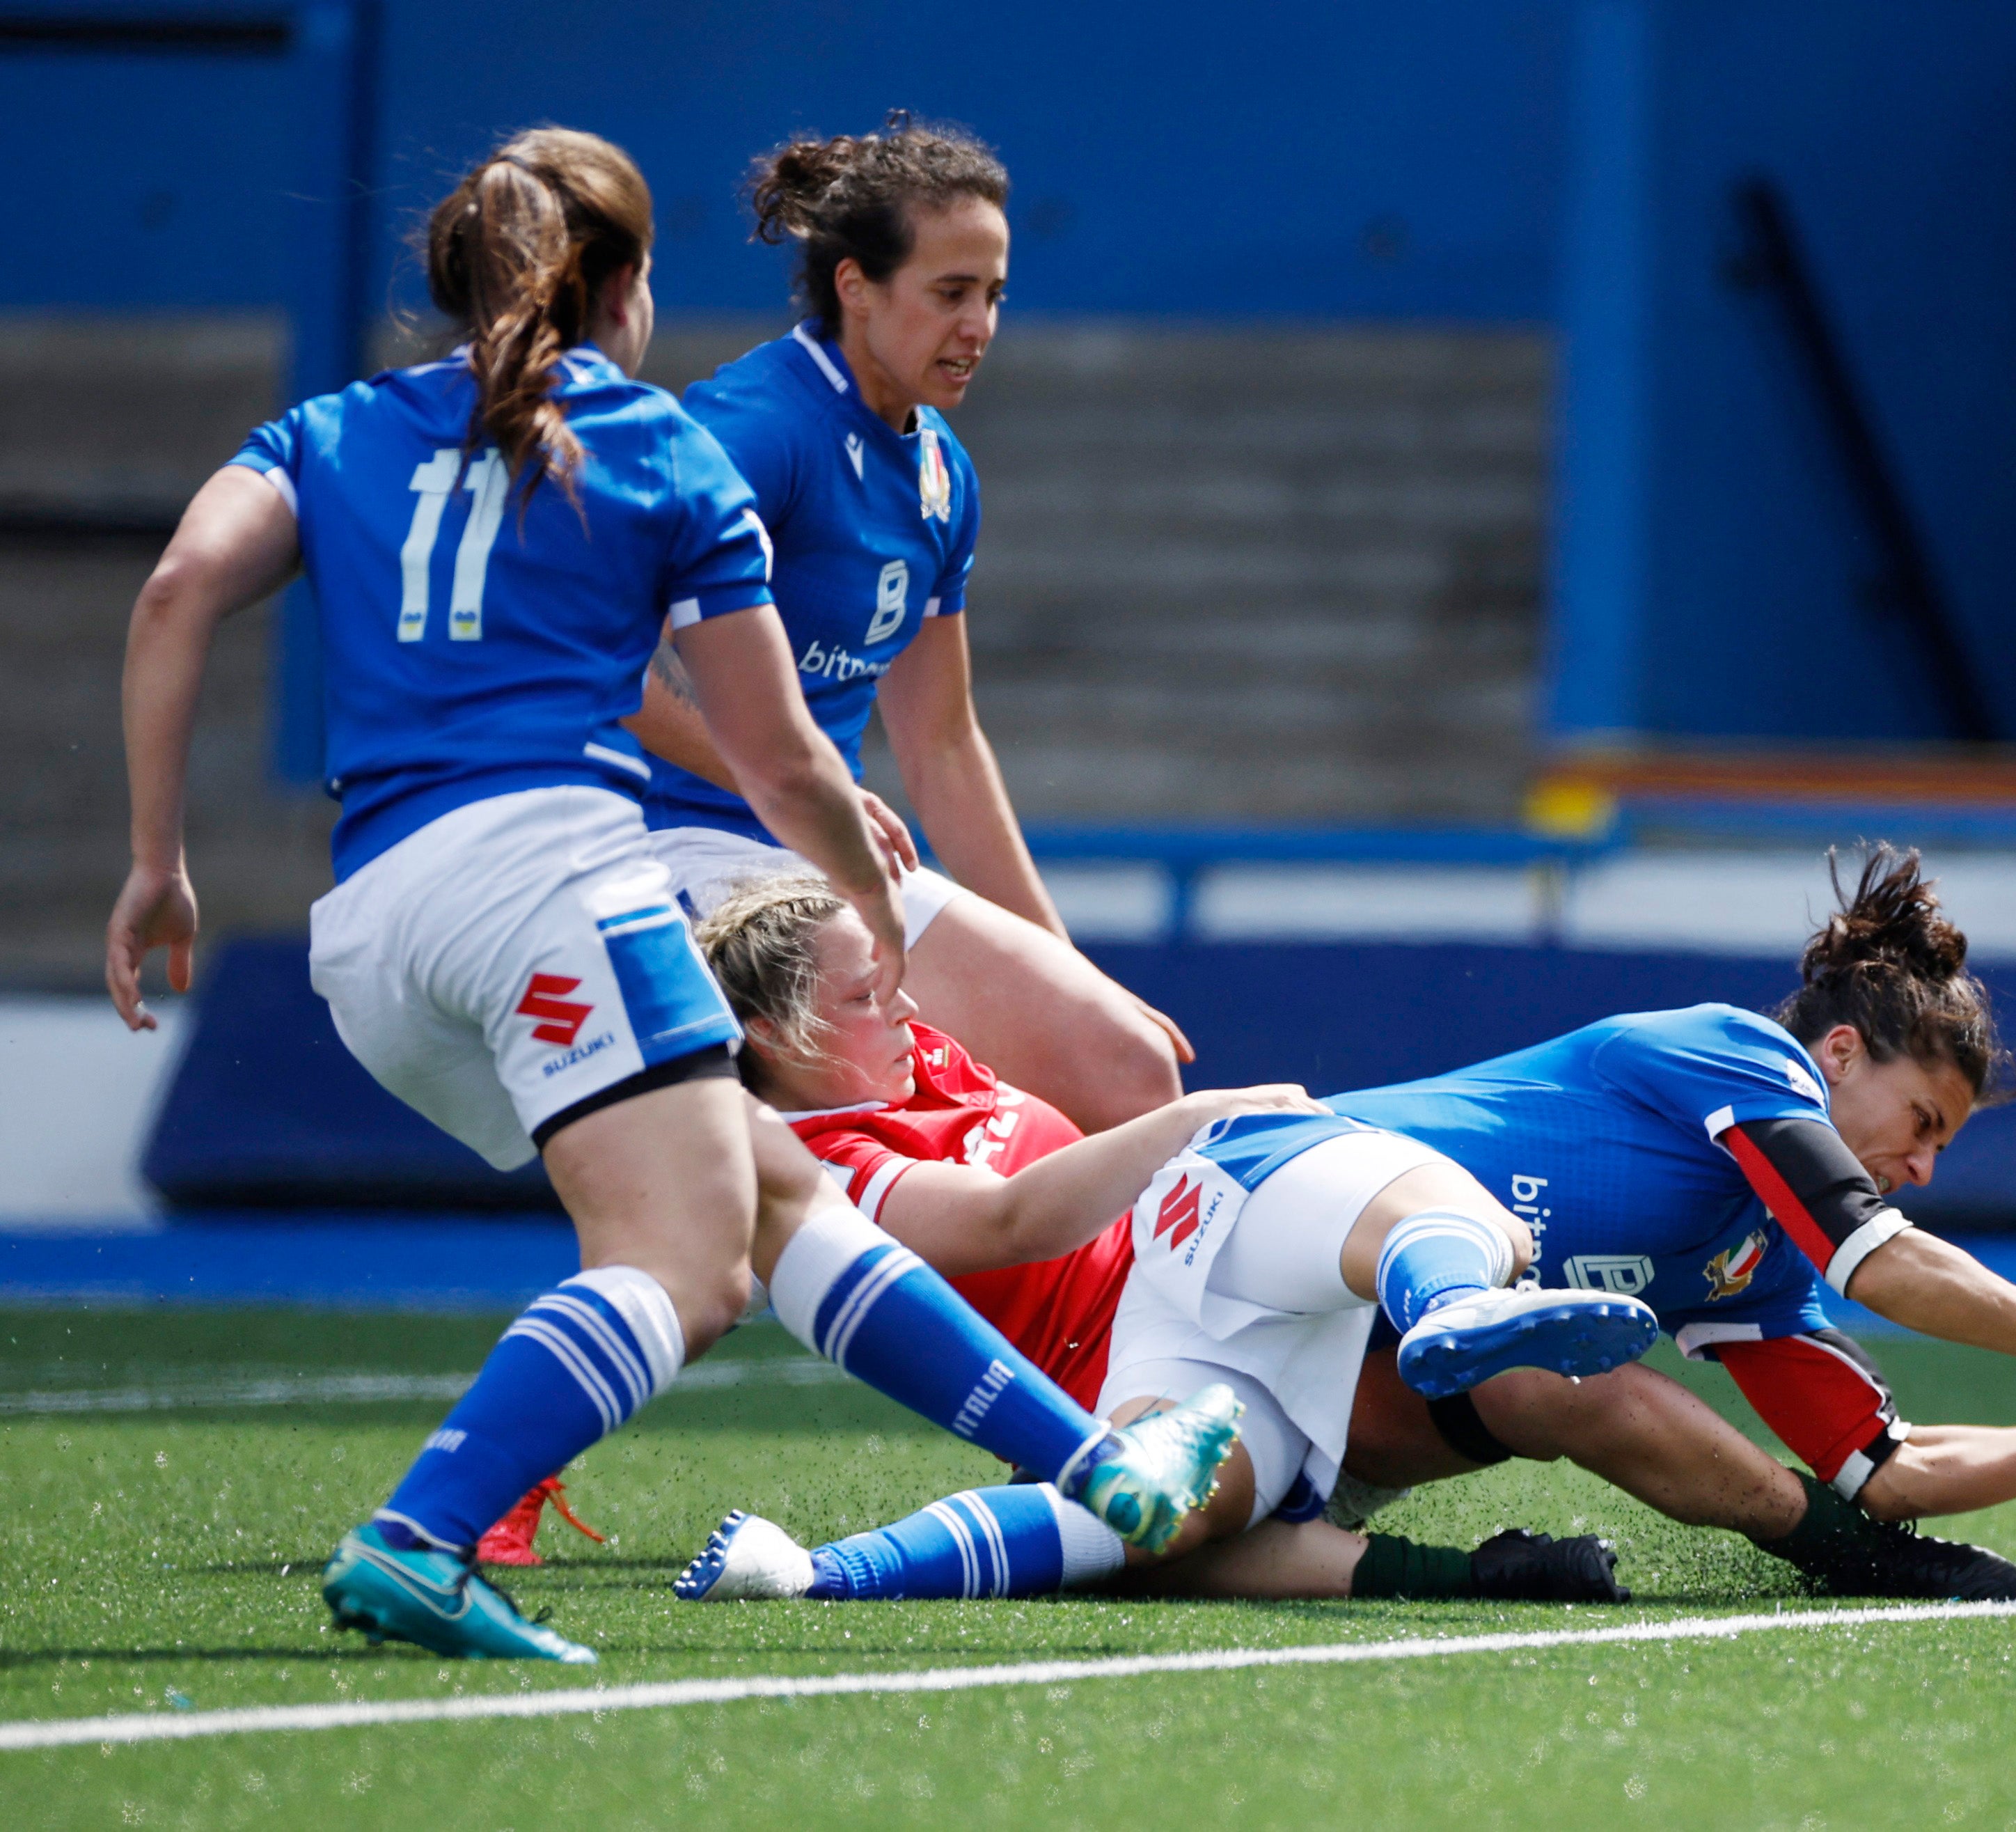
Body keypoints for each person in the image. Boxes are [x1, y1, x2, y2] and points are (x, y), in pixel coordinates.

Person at [101, 129, 1241, 1664]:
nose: (980, 320)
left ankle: (1098, 1467)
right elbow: (777, 756)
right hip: (567, 881)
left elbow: (174, 591)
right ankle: (426, 1532)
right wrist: (862, 894)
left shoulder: (330, 428)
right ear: (625, 288)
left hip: (369, 924)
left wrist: (154, 860)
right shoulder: (664, 444)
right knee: (688, 1256)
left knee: (765, 1190)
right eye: (953, 287)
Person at [672, 850, 2016, 1607]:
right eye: (1922, 1124)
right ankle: (1462, 1311)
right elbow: (1883, 1259)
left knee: (1173, 1517)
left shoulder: (1758, 1249)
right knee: (1506, 1296)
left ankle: (829, 1578)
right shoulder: (1745, 1061)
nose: (1918, 1164)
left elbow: (1879, 1446)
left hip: (1253, 1349)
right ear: (1838, 1057)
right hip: (1270, 1203)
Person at [624, 113, 1186, 1133]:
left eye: (994, 296)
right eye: (950, 294)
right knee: (863, 1150)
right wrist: (789, 781)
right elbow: (593, 661)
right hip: (675, 851)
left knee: (1125, 1068)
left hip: (820, 856)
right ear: (855, 288)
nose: (979, 326)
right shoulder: (753, 434)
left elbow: (941, 744)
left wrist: (1066, 972)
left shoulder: (939, 472)